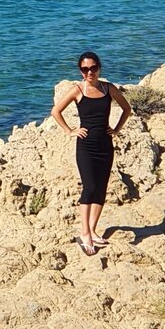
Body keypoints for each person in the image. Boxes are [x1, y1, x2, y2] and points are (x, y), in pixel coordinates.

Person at [51, 50, 131, 255]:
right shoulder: (77, 90)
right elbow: (55, 111)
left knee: (101, 187)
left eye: (93, 68)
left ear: (99, 68)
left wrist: (117, 129)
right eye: (85, 69)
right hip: (85, 147)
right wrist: (70, 131)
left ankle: (93, 230)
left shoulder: (108, 88)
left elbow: (126, 108)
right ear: (80, 71)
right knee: (89, 186)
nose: (89, 72)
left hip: (105, 145)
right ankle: (84, 233)